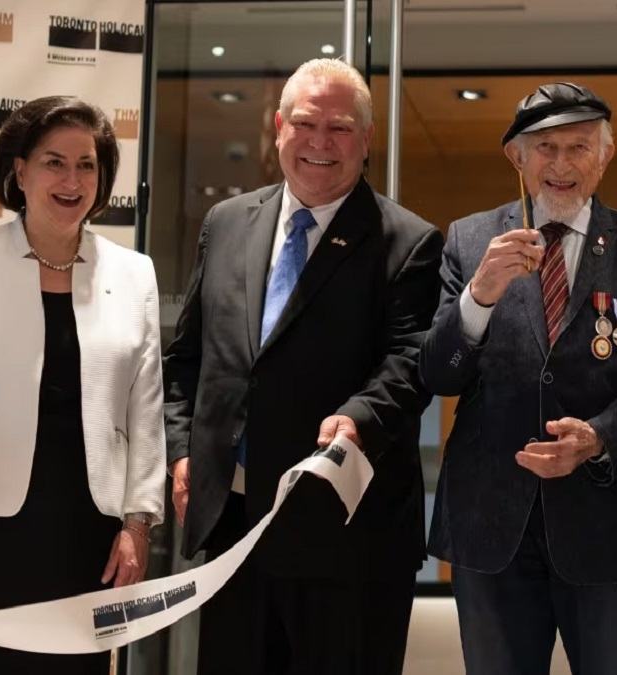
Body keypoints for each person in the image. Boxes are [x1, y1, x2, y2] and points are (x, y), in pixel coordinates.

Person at [162, 58, 443, 675]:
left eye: (340, 129)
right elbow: (189, 356)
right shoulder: (227, 222)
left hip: (345, 536)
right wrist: (182, 450)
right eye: (307, 124)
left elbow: (410, 364)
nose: (321, 142)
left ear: (366, 141)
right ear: (278, 127)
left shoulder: (409, 241)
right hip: (232, 523)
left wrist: (355, 418)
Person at [420, 82, 617, 675]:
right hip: (491, 525)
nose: (562, 164)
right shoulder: (469, 241)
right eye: (545, 147)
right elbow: (437, 374)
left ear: (606, 155)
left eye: (578, 147)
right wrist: (479, 297)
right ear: (516, 157)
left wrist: (599, 437)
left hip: (607, 522)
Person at [0, 96, 164, 674]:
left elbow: (146, 410)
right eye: (53, 162)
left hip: (89, 526)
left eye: (86, 164)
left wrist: (138, 522)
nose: (71, 179)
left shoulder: (135, 274)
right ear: (20, 171)